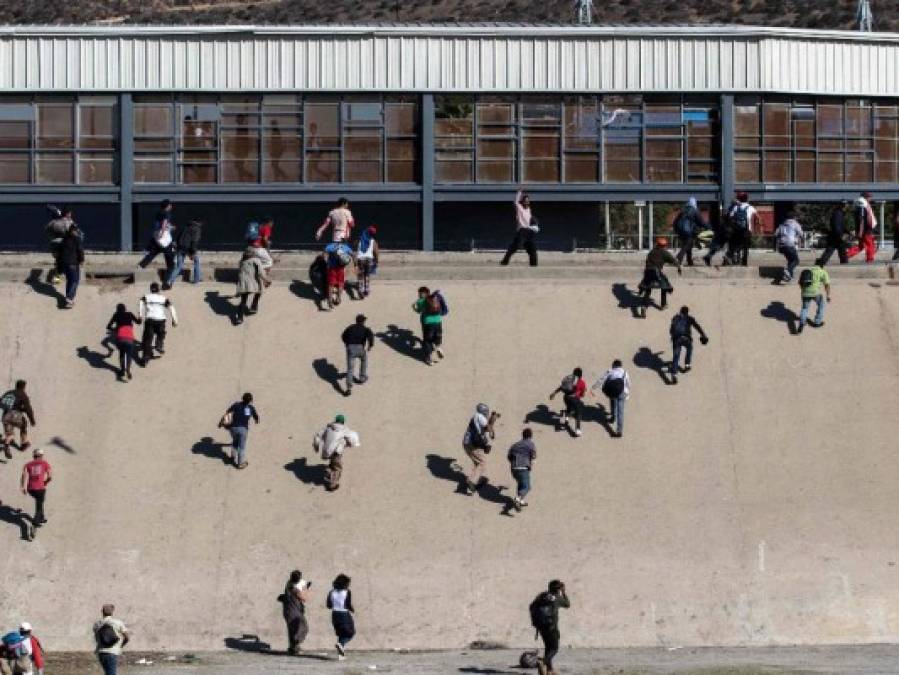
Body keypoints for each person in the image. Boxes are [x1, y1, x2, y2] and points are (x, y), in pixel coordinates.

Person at [529, 580, 570, 675]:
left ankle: (549, 670)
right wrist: (564, 593)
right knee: (555, 648)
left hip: (540, 626)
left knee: (548, 647)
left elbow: (531, 606)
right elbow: (567, 604)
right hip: (551, 626)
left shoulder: (541, 596)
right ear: (558, 589)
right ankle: (543, 662)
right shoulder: (557, 597)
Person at [313, 415, 361, 492]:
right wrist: (352, 444)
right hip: (336, 452)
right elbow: (352, 438)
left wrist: (316, 447)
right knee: (337, 468)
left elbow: (317, 436)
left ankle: (328, 471)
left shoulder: (328, 427)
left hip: (327, 451)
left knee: (333, 464)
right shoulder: (344, 430)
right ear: (343, 422)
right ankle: (333, 485)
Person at [462, 403, 499, 495]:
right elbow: (488, 428)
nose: (487, 413)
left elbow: (485, 428)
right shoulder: (480, 417)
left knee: (476, 463)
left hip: (467, 443)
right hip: (473, 445)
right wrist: (493, 420)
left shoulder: (476, 417)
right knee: (482, 463)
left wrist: (492, 419)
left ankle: (470, 489)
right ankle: (471, 481)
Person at [638, 238, 681, 317]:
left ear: (657, 244)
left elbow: (647, 262)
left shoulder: (651, 252)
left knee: (648, 289)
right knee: (664, 286)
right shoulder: (665, 252)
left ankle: (644, 306)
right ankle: (663, 304)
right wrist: (679, 267)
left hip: (647, 272)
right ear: (664, 245)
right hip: (656, 272)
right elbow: (674, 261)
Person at [138, 283, 178, 365]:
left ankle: (145, 359)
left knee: (147, 340)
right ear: (158, 290)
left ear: (150, 289)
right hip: (161, 320)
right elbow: (171, 308)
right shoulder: (163, 298)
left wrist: (140, 315)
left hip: (150, 320)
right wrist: (174, 319)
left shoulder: (146, 296)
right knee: (161, 333)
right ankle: (159, 345)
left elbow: (141, 303)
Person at [668, 306, 709, 384]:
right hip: (686, 339)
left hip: (676, 339)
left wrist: (673, 338)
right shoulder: (690, 318)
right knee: (689, 348)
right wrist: (703, 335)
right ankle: (687, 365)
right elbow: (697, 327)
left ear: (680, 311)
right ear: (687, 312)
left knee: (676, 356)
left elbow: (671, 330)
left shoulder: (675, 318)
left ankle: (674, 374)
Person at [591, 360, 630, 438]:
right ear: (620, 366)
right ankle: (619, 431)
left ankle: (613, 418)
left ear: (614, 365)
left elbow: (601, 380)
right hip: (622, 392)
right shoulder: (625, 372)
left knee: (612, 402)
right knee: (620, 412)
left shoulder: (610, 371)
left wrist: (593, 387)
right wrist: (627, 395)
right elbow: (628, 384)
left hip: (612, 391)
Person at [500, 189, 539, 266]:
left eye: (528, 201)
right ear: (523, 202)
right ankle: (504, 262)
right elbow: (515, 202)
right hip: (521, 231)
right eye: (525, 201)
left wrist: (534, 225)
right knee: (514, 247)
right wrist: (519, 192)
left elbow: (530, 219)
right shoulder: (520, 208)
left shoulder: (529, 209)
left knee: (532, 248)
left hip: (529, 231)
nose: (527, 202)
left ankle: (533, 264)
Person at [220, 393, 259, 469]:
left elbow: (227, 413)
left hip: (233, 428)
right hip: (243, 429)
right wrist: (256, 420)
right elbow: (256, 416)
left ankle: (232, 457)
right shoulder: (251, 408)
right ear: (251, 400)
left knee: (235, 442)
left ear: (242, 398)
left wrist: (221, 422)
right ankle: (240, 463)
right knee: (241, 447)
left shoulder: (236, 405)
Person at [138, 199, 176, 274]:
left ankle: (141, 265)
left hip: (156, 235)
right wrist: (162, 232)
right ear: (168, 206)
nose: (171, 206)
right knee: (168, 252)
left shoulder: (159, 212)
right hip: (163, 236)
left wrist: (170, 227)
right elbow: (164, 223)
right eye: (170, 205)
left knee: (153, 252)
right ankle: (171, 268)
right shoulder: (167, 213)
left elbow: (161, 223)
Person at [1, 380, 36, 458]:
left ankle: (6, 445)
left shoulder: (8, 393)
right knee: (24, 424)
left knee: (10, 434)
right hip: (15, 415)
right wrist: (32, 420)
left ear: (16, 385)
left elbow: (2, 401)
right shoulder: (22, 394)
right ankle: (24, 444)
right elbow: (28, 408)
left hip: (5, 415)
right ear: (24, 387)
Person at [106, 303, 141, 381]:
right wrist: (140, 318)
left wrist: (115, 329)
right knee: (129, 355)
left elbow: (108, 327)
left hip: (120, 338)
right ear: (125, 309)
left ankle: (122, 370)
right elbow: (138, 322)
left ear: (117, 309)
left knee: (122, 354)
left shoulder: (116, 315)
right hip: (129, 338)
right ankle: (128, 370)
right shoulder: (130, 314)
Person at [341, 314, 374, 396]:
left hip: (350, 348)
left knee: (350, 368)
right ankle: (362, 378)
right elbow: (371, 337)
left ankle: (348, 388)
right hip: (360, 348)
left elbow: (343, 336)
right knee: (364, 360)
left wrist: (347, 343)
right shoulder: (366, 329)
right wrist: (370, 346)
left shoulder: (350, 327)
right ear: (363, 321)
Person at [235, 247, 270, 324]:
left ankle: (239, 317)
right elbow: (261, 273)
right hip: (252, 283)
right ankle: (254, 307)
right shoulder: (256, 260)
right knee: (259, 291)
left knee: (243, 301)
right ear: (253, 254)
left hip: (243, 284)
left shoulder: (241, 262)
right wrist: (267, 280)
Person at [548, 368, 586, 437]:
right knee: (578, 413)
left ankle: (567, 419)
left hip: (566, 398)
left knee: (568, 407)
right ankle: (577, 430)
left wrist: (554, 393)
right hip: (574, 399)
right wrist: (580, 394)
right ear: (581, 375)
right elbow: (582, 394)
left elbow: (561, 387)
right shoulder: (581, 382)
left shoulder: (569, 380)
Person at [797, 257, 831, 334]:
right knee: (821, 305)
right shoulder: (822, 272)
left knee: (805, 308)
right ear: (823, 265)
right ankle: (817, 322)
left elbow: (799, 282)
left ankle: (802, 323)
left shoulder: (809, 269)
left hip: (805, 292)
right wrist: (828, 295)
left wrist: (803, 290)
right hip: (816, 293)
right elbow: (827, 285)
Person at [165, 218, 202, 288]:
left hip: (180, 248)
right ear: (199, 223)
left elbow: (178, 237)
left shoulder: (186, 227)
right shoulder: (197, 229)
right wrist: (192, 253)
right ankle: (197, 279)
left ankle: (169, 281)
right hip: (188, 249)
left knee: (179, 266)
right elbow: (194, 242)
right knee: (197, 261)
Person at [412, 287, 445, 365]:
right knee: (437, 336)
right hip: (438, 321)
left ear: (421, 294)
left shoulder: (420, 301)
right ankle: (438, 347)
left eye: (419, 293)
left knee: (427, 340)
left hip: (427, 323)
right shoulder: (435, 298)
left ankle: (428, 358)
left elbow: (419, 311)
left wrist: (414, 307)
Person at [280, 570, 310, 656]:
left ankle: (292, 648)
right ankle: (295, 644)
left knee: (292, 630)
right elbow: (303, 598)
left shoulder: (288, 584)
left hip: (288, 611)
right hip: (295, 612)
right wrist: (306, 589)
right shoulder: (295, 588)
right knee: (303, 628)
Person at [93, 604, 129, 675]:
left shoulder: (97, 624)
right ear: (112, 612)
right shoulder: (118, 623)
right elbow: (127, 638)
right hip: (112, 652)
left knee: (108, 672)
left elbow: (97, 638)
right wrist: (121, 646)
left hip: (101, 652)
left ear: (102, 612)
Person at [45, 204, 76, 285]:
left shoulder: (53, 222)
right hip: (63, 245)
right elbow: (74, 232)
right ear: (68, 213)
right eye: (70, 213)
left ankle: (57, 276)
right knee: (66, 261)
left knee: (58, 260)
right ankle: (61, 276)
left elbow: (47, 229)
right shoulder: (69, 222)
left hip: (53, 245)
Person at [327, 574, 355, 661]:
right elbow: (348, 604)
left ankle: (341, 655)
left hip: (334, 615)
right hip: (344, 614)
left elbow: (329, 605)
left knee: (341, 633)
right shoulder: (347, 592)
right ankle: (341, 644)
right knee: (351, 633)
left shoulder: (331, 592)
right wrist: (352, 609)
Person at [20, 448, 51, 529]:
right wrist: (46, 482)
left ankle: (41, 518)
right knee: (39, 506)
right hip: (40, 488)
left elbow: (24, 476)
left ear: (33, 455)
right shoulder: (44, 463)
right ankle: (34, 523)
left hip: (30, 489)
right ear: (41, 455)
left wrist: (23, 487)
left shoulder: (27, 464)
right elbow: (50, 476)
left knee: (39, 502)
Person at [725, 192, 758, 266]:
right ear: (747, 199)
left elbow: (730, 217)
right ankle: (744, 262)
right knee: (746, 247)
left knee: (736, 245)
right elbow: (757, 217)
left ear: (739, 199)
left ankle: (735, 258)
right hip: (747, 230)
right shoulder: (750, 207)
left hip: (737, 230)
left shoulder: (736, 207)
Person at [507, 428, 536, 512]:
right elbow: (533, 456)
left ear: (523, 435)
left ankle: (520, 500)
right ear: (530, 436)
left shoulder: (515, 445)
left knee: (521, 484)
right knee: (527, 486)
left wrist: (513, 464)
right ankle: (517, 499)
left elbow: (509, 456)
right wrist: (530, 465)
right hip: (523, 468)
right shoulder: (530, 444)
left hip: (514, 469)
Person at [846, 191, 878, 263]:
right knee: (870, 245)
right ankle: (870, 259)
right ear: (865, 197)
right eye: (869, 197)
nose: (871, 198)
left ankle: (847, 255)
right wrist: (861, 231)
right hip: (866, 230)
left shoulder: (860, 205)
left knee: (861, 246)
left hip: (863, 230)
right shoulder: (862, 206)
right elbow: (862, 219)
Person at [59, 223, 84, 309]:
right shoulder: (77, 239)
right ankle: (69, 299)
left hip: (65, 263)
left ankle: (68, 297)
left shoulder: (65, 239)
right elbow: (80, 250)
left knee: (69, 280)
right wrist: (81, 260)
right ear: (74, 231)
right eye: (76, 230)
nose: (77, 232)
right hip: (73, 263)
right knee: (75, 280)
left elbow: (61, 252)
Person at [674, 197, 705, 265]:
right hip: (688, 231)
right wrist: (708, 227)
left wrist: (676, 230)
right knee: (687, 245)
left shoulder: (683, 210)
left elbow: (675, 222)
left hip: (681, 232)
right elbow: (701, 222)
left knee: (689, 245)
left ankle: (689, 261)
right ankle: (678, 258)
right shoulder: (694, 210)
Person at [774, 212, 803, 283]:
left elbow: (775, 234)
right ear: (794, 217)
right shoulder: (795, 224)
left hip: (781, 246)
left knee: (790, 260)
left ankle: (789, 277)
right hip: (790, 245)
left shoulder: (782, 224)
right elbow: (801, 233)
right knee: (796, 261)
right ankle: (787, 271)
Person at [324, 241, 354, 309]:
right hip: (341, 269)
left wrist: (326, 263)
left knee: (331, 284)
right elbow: (353, 254)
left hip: (332, 268)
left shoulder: (330, 246)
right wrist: (354, 263)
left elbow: (325, 255)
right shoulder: (345, 247)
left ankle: (330, 300)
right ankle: (338, 298)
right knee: (341, 283)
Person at [819, 201, 850, 266]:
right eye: (846, 205)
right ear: (843, 206)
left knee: (837, 250)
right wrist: (841, 235)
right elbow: (837, 226)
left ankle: (821, 262)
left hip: (835, 235)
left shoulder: (839, 213)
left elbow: (842, 226)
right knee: (837, 250)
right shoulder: (838, 214)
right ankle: (821, 262)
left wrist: (848, 232)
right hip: (836, 236)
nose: (847, 206)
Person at [355, 226, 379, 298]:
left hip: (360, 259)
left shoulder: (360, 239)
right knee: (367, 275)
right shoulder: (373, 241)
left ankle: (361, 290)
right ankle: (367, 289)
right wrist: (376, 261)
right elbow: (376, 252)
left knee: (360, 275)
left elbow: (355, 246)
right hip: (369, 259)